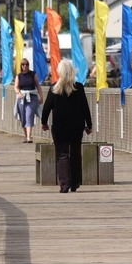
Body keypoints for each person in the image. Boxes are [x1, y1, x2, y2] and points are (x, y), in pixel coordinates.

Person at [41, 59, 92, 193]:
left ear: (60, 72)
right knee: (75, 153)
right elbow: (84, 107)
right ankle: (75, 183)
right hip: (76, 126)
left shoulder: (54, 88)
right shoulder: (79, 88)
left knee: (62, 154)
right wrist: (89, 125)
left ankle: (65, 184)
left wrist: (44, 122)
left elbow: (46, 108)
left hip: (59, 127)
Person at [14, 58, 41, 142]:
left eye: (26, 64)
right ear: (21, 66)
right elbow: (16, 87)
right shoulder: (19, 76)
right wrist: (19, 93)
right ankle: (26, 135)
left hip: (32, 97)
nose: (25, 66)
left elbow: (38, 86)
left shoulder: (33, 74)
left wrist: (41, 97)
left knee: (29, 115)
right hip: (22, 98)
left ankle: (29, 136)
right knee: (23, 116)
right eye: (23, 64)